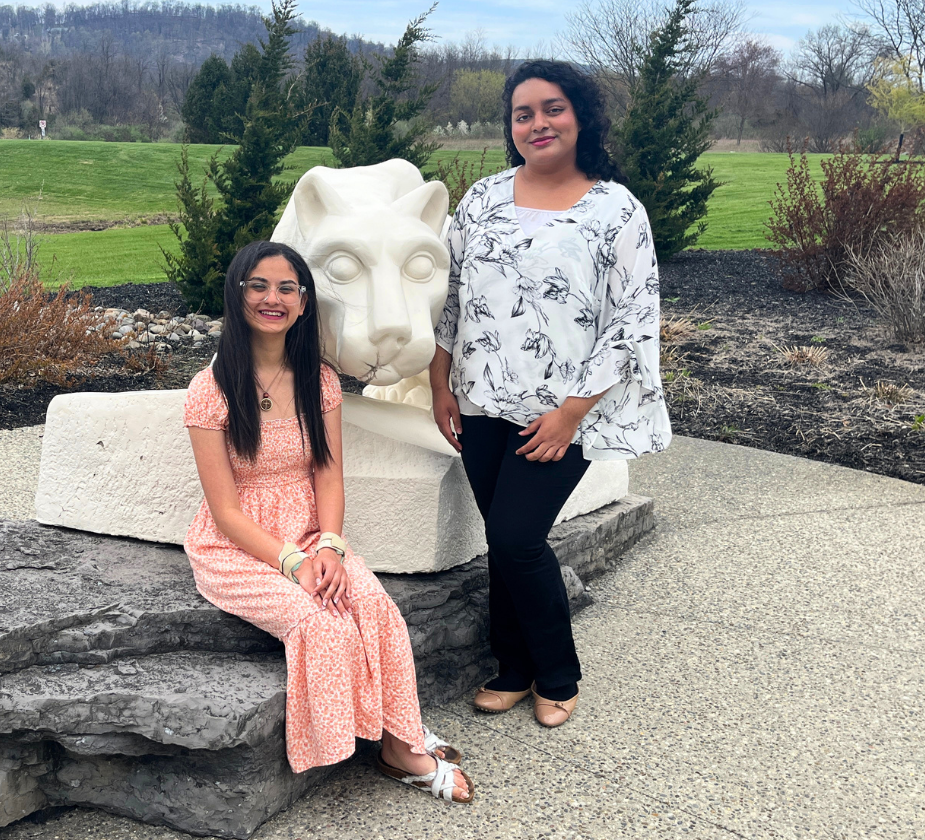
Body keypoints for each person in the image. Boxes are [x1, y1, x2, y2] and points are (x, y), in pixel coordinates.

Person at [184, 240, 474, 803]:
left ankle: (399, 742)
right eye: (259, 286)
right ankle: (370, 745)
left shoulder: (318, 380)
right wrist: (293, 562)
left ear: (303, 301)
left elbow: (329, 476)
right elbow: (224, 511)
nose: (273, 298)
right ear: (236, 293)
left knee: (374, 606)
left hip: (313, 532)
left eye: (287, 288)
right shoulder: (211, 389)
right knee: (321, 624)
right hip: (238, 546)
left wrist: (332, 547)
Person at [429, 60, 672, 727]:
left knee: (516, 537)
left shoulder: (615, 209)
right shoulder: (480, 198)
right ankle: (511, 667)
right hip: (480, 399)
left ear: (581, 115)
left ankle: (557, 673)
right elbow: (451, 296)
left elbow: (631, 320)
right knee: (502, 539)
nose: (538, 123)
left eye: (553, 108)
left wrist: (570, 417)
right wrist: (438, 379)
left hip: (562, 412)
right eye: (523, 113)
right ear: (511, 126)